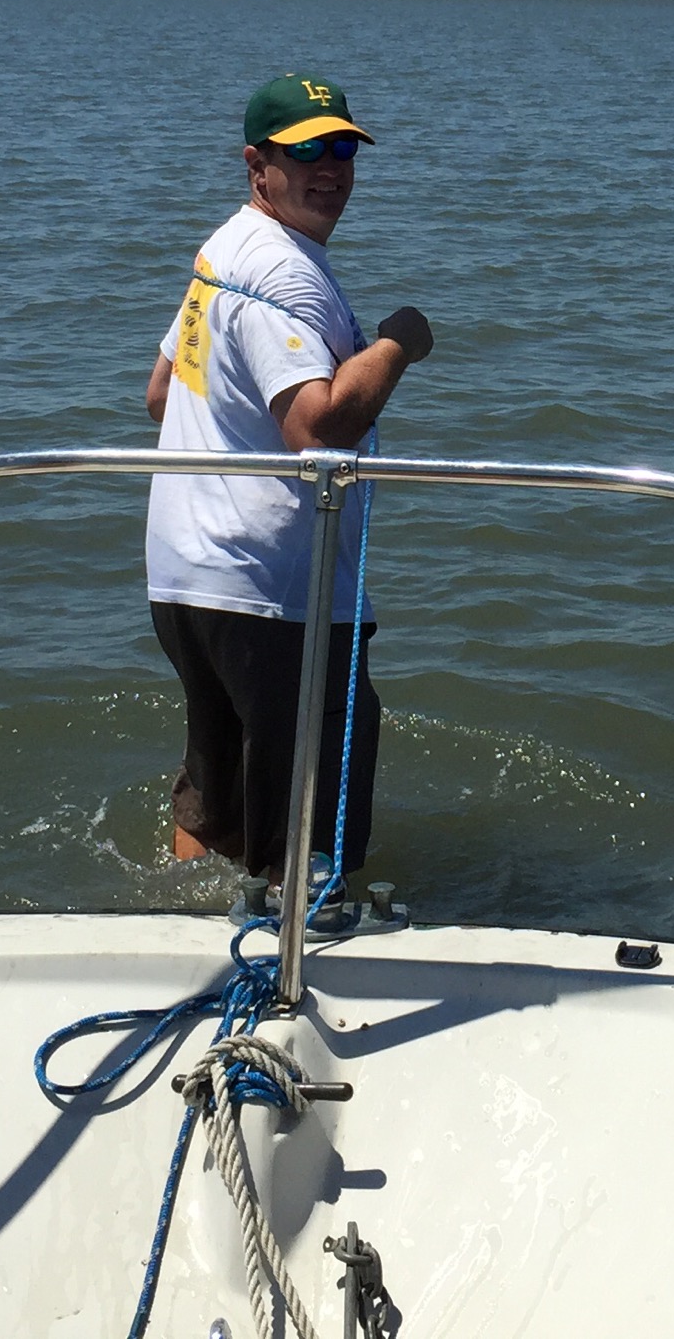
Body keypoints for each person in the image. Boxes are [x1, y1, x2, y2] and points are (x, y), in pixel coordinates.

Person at [143, 72, 433, 887]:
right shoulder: (285, 270)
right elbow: (317, 428)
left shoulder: (224, 249)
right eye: (306, 151)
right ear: (256, 165)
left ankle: (183, 919)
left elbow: (162, 394)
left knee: (218, 789)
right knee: (305, 817)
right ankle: (293, 941)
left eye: (343, 147)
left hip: (186, 574)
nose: (330, 168)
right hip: (272, 593)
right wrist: (397, 344)